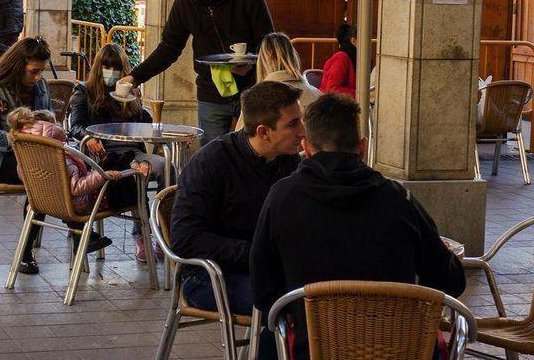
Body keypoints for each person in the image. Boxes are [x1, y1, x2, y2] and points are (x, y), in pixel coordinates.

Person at [250, 94, 466, 360]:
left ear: (306, 148)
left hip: (310, 350)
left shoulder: (282, 198)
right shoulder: (398, 199)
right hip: (400, 350)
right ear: (362, 147)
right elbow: (451, 281)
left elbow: (263, 292)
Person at [170, 81, 304, 317]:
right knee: (286, 306)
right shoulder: (211, 162)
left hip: (268, 269)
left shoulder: (289, 160)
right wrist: (257, 254)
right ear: (264, 131)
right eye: (293, 124)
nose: (303, 131)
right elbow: (185, 239)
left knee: (323, 300)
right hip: (208, 275)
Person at [118, 0, 275, 144]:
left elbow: (268, 42)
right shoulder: (184, 4)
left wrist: (251, 64)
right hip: (211, 91)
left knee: (255, 150)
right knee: (212, 154)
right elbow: (169, 47)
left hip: (251, 89)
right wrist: (136, 76)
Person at [68, 43, 168, 261]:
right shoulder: (84, 91)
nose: (111, 73)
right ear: (98, 67)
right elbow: (74, 125)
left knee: (166, 167)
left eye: (116, 68)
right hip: (101, 156)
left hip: (132, 152)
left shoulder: (129, 94)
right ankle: (142, 235)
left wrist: (137, 104)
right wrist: (90, 136)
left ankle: (166, 234)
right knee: (135, 173)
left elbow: (142, 127)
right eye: (107, 67)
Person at [0, 37, 52, 274]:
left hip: (35, 155)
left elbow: (45, 118)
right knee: (45, 177)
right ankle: (28, 249)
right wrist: (17, 136)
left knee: (59, 170)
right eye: (33, 71)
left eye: (41, 71)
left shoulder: (40, 86)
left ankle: (78, 235)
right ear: (18, 66)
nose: (37, 77)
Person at [7, 107, 135, 255]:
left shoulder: (28, 152)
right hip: (73, 206)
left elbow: (21, 175)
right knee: (120, 180)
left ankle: (83, 238)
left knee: (107, 165)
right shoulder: (63, 159)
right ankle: (88, 236)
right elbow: (77, 188)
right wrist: (102, 175)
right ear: (54, 129)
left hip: (42, 202)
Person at [235, 32, 320, 130]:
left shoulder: (253, 99)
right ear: (293, 57)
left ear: (262, 62)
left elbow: (240, 140)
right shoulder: (316, 94)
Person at [320, 23, 357, 98]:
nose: (371, 44)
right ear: (353, 41)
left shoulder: (351, 57)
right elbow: (331, 89)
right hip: (334, 106)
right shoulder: (341, 57)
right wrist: (361, 94)